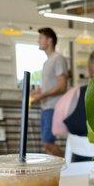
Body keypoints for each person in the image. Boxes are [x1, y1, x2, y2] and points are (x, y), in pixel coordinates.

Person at [30, 27, 68, 157]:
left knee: (48, 143)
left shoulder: (58, 59)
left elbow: (62, 86)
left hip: (53, 107)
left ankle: (69, 166)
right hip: (45, 107)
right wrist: (39, 92)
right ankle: (61, 170)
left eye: (41, 38)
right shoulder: (47, 62)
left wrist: (41, 95)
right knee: (46, 144)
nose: (38, 41)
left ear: (49, 40)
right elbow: (51, 85)